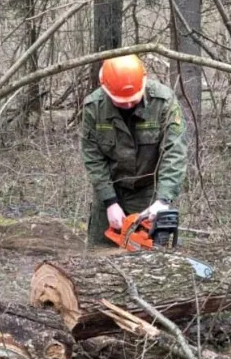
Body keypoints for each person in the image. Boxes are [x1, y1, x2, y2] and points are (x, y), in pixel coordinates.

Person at [80, 54, 187, 247]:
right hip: (111, 188)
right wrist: (109, 201)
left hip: (147, 191)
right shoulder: (94, 108)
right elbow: (93, 157)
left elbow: (174, 152)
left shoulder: (163, 102)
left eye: (133, 99)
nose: (129, 104)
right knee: (99, 255)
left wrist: (163, 199)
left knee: (148, 257)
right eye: (121, 101)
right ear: (105, 89)